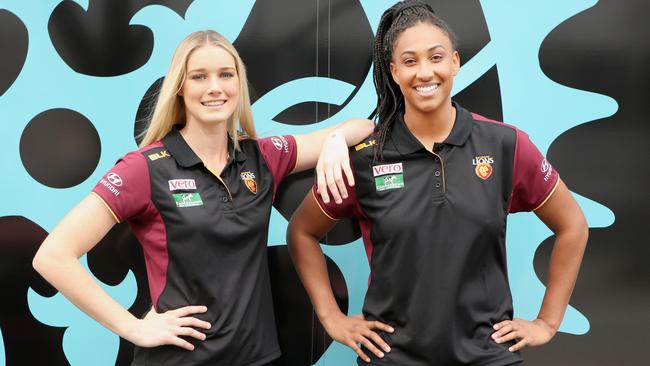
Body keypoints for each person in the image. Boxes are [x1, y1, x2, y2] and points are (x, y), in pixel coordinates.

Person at [32, 30, 373, 366]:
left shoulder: (262, 157)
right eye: (199, 76)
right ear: (180, 87)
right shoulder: (145, 168)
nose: (214, 87)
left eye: (226, 74)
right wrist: (131, 328)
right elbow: (52, 256)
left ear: (238, 84)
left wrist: (333, 143)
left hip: (258, 358)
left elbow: (364, 127)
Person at [287, 1, 589, 365]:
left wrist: (547, 322)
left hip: (487, 356)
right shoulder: (365, 159)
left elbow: (572, 224)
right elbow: (302, 232)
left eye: (436, 57)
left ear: (455, 62)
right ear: (394, 71)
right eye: (410, 61)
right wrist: (332, 319)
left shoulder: (505, 145)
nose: (425, 72)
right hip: (394, 356)